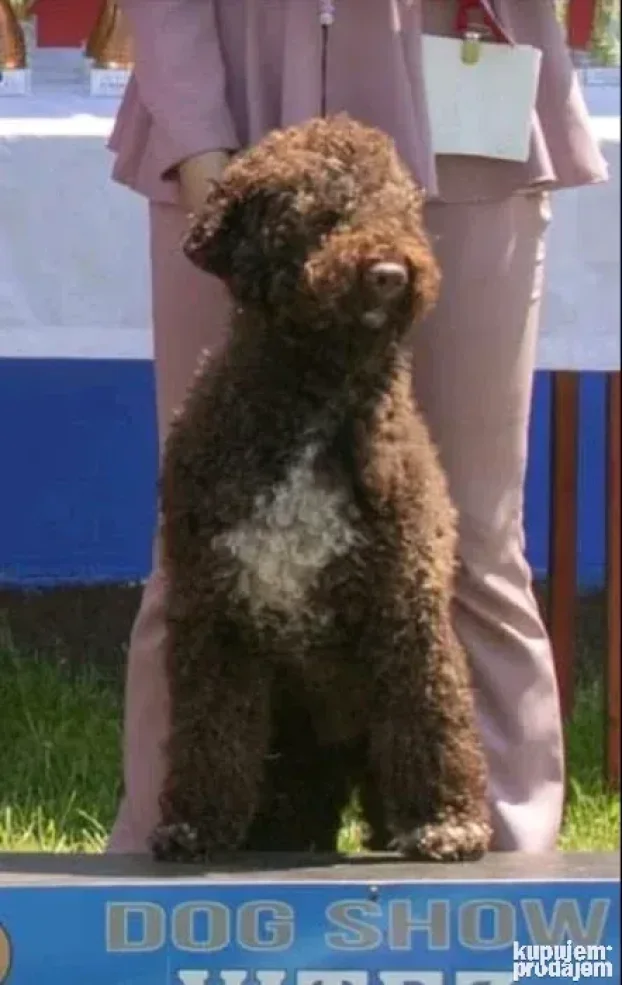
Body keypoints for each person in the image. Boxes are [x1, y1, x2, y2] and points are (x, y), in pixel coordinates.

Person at [106, 0, 607, 854]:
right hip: (229, 83)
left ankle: (507, 882)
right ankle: (167, 859)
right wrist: (202, 147)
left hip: (462, 83)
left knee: (476, 541)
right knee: (197, 550)